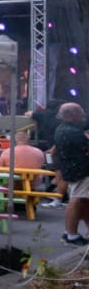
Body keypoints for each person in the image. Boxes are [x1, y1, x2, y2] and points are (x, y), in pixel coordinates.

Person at [53, 103, 89, 244]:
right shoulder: (73, 132)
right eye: (80, 113)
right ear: (70, 115)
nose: (83, 116)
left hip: (71, 168)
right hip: (80, 170)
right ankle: (70, 235)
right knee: (76, 200)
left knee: (83, 201)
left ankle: (71, 233)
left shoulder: (61, 128)